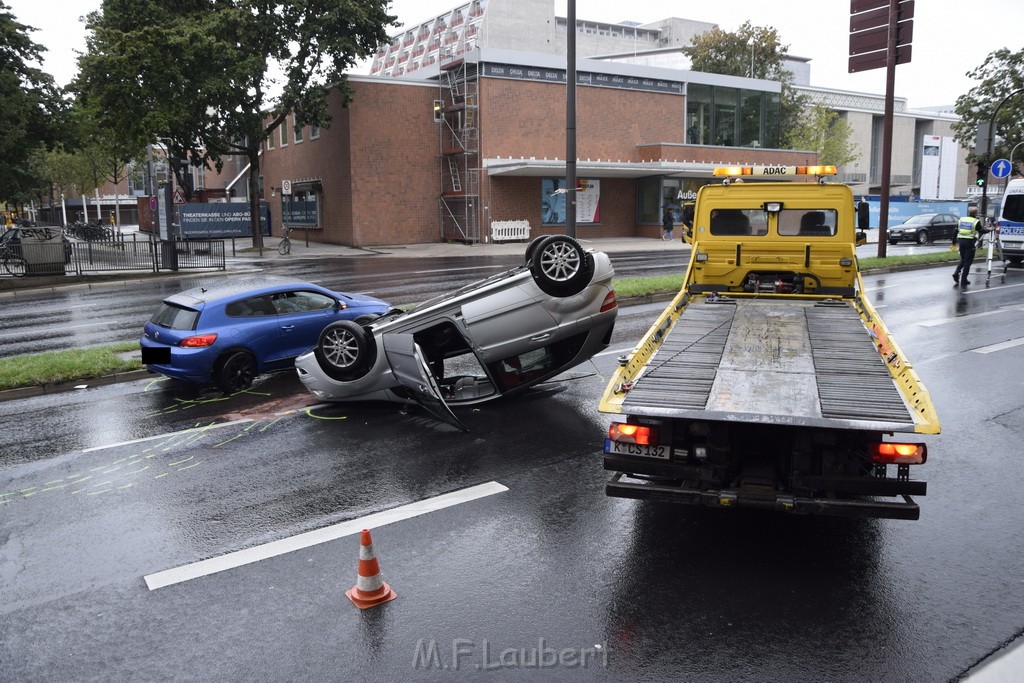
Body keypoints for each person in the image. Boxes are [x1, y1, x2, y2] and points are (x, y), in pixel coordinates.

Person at [952, 207, 994, 287]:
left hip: (961, 241)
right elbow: (981, 231)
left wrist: (954, 242)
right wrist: (990, 229)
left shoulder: (961, 219)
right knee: (968, 261)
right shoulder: (976, 221)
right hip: (969, 242)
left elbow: (955, 231)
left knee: (963, 259)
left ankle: (956, 273)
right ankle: (964, 280)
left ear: (968, 212)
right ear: (975, 214)